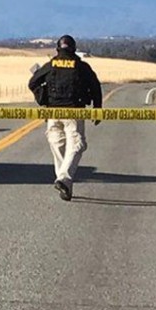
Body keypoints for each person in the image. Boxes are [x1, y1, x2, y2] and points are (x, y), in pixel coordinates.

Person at [28, 34, 102, 201]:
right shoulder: (81, 66)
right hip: (74, 113)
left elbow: (32, 83)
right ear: (74, 49)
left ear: (57, 49)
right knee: (76, 145)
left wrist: (43, 98)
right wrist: (97, 109)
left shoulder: (51, 65)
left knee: (58, 145)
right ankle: (64, 179)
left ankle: (64, 184)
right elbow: (95, 87)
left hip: (53, 113)